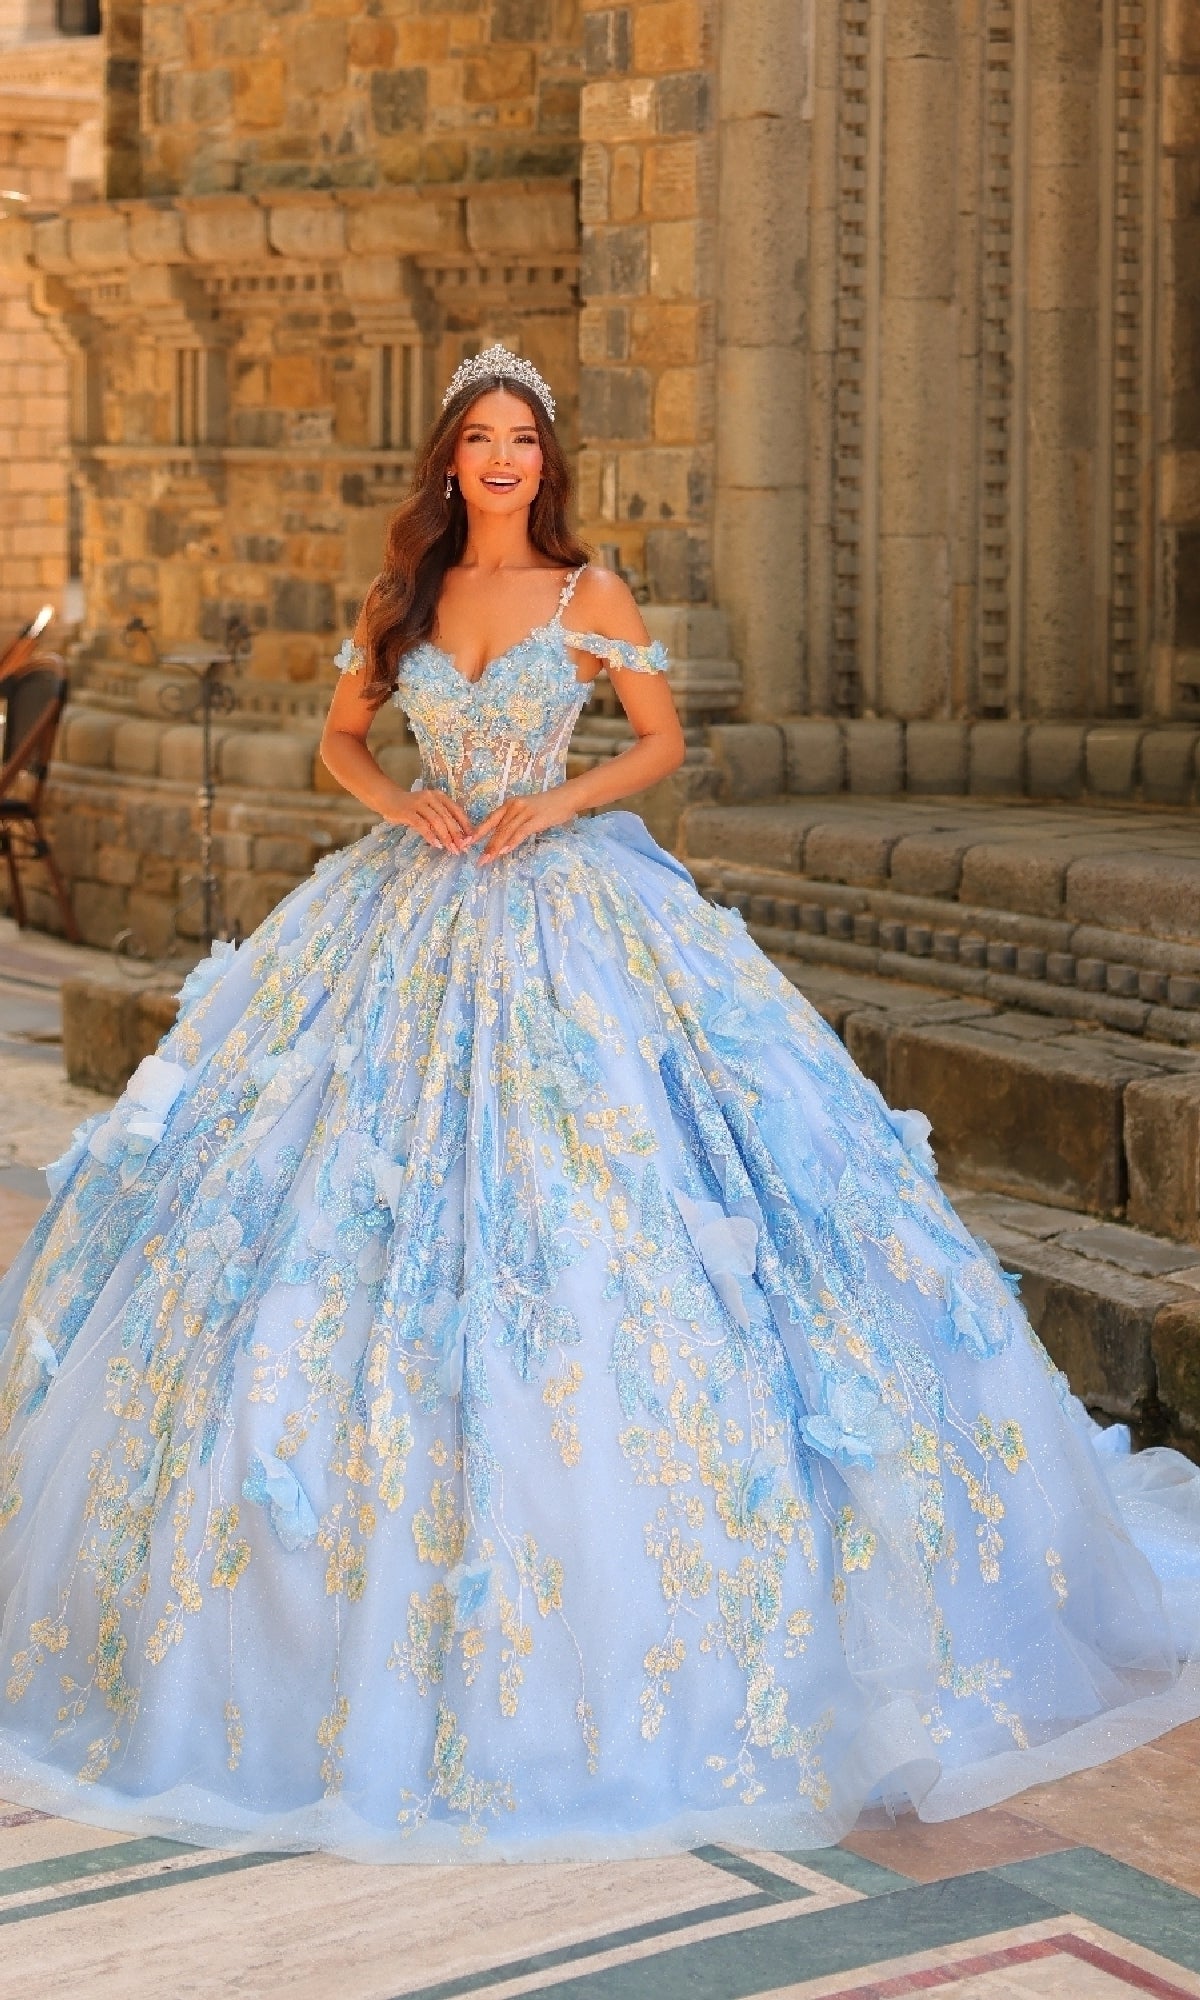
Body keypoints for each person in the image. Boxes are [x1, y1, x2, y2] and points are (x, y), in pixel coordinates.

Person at [0, 346, 1196, 1865]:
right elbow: (339, 740)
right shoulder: (406, 603)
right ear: (448, 460)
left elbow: (663, 744)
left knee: (608, 1205)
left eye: (524, 441)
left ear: (545, 463)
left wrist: (552, 803)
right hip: (411, 908)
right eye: (481, 439)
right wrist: (409, 805)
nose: (502, 459)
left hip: (566, 905)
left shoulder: (589, 592)